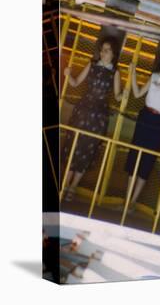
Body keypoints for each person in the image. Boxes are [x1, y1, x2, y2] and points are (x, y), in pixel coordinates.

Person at [61, 37, 122, 201]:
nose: (103, 53)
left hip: (98, 117)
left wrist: (127, 93)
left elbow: (117, 95)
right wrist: (68, 74)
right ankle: (65, 186)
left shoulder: (115, 72)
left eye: (107, 50)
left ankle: (72, 187)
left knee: (88, 150)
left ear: (113, 54)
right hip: (82, 112)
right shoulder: (92, 65)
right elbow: (75, 83)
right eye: (102, 49)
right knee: (73, 145)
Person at [122, 59, 160, 213]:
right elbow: (137, 93)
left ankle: (133, 201)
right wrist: (132, 74)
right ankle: (126, 200)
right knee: (135, 154)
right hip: (146, 116)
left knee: (148, 158)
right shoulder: (154, 77)